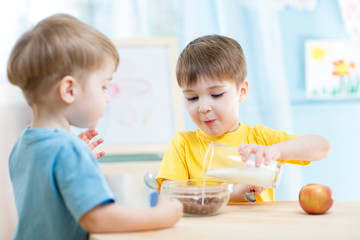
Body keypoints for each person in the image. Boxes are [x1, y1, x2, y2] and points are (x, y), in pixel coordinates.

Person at [7, 14, 183, 240]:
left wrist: (77, 160)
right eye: (104, 86)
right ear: (69, 90)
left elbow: (48, 203)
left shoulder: (24, 144)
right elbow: (98, 218)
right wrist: (162, 216)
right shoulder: (68, 150)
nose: (108, 97)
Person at [156, 35, 332, 202]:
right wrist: (231, 193)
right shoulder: (183, 145)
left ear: (242, 91)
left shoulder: (259, 140)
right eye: (192, 98)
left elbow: (322, 146)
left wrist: (274, 151)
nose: (203, 108)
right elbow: (169, 197)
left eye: (216, 94)